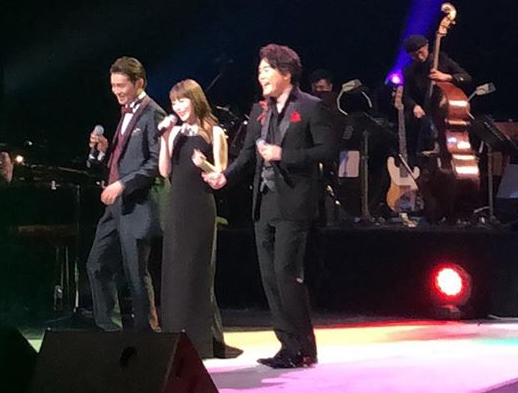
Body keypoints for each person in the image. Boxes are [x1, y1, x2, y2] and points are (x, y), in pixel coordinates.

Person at [205, 44, 339, 368]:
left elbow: (327, 150)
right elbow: (247, 155)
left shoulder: (311, 107)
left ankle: (304, 347)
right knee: (269, 277)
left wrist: (284, 155)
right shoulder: (260, 110)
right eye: (260, 70)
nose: (260, 76)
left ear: (286, 73)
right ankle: (287, 345)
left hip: (294, 202)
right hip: (264, 202)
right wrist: (224, 177)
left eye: (267, 70)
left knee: (286, 274)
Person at [158, 79, 239, 359]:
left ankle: (202, 340)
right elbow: (164, 170)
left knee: (197, 270)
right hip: (176, 206)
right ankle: (175, 336)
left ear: (195, 100)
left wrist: (202, 163)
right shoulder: (175, 133)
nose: (178, 107)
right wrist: (164, 138)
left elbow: (220, 174)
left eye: (182, 101)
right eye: (174, 103)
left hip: (200, 207)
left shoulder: (213, 131)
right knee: (175, 270)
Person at [85, 56, 166, 331]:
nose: (116, 91)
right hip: (116, 205)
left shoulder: (153, 113)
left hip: (137, 203)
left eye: (121, 85)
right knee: (96, 263)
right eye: (113, 86)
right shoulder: (126, 112)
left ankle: (148, 334)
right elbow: (125, 158)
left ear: (139, 83)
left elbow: (155, 163)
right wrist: (105, 150)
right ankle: (109, 328)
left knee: (135, 272)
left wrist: (122, 184)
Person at [400, 34, 473, 155]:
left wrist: (447, 77)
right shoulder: (409, 70)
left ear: (427, 46)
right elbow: (406, 96)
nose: (419, 57)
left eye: (421, 52)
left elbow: (466, 78)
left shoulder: (441, 59)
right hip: (425, 117)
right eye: (414, 55)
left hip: (445, 113)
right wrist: (414, 106)